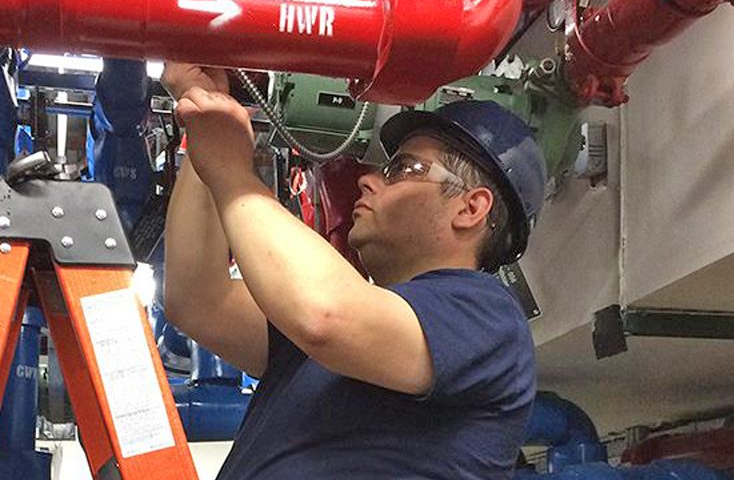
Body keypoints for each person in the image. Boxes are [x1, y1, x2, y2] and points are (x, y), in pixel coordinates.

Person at [162, 63, 547, 479]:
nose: (368, 182)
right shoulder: (344, 335)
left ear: (470, 208)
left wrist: (232, 171)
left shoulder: (487, 317)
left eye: (404, 169)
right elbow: (200, 301)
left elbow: (326, 314)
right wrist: (207, 124)